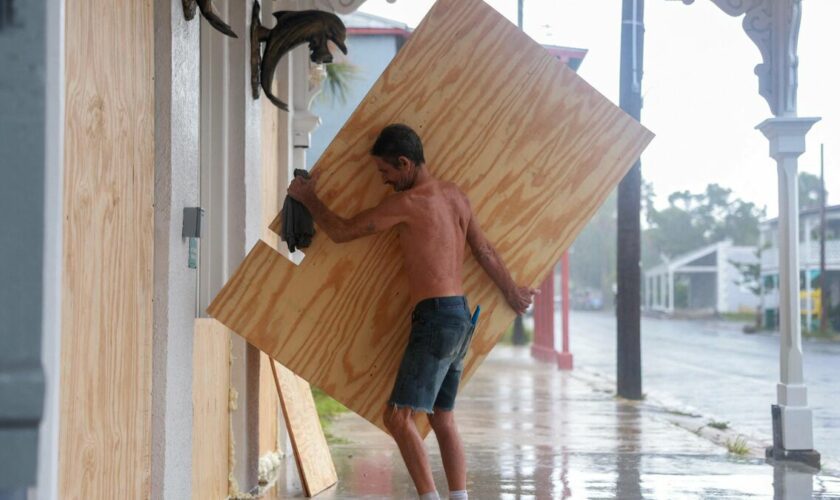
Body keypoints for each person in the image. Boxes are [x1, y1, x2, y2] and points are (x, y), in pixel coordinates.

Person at [288, 124, 538, 500]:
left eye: (385, 172)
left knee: (398, 417)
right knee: (441, 417)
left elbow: (342, 231)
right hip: (461, 316)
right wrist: (513, 292)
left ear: (404, 163)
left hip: (436, 318)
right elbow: (483, 251)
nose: (384, 181)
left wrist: (309, 199)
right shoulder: (456, 196)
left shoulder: (407, 204)